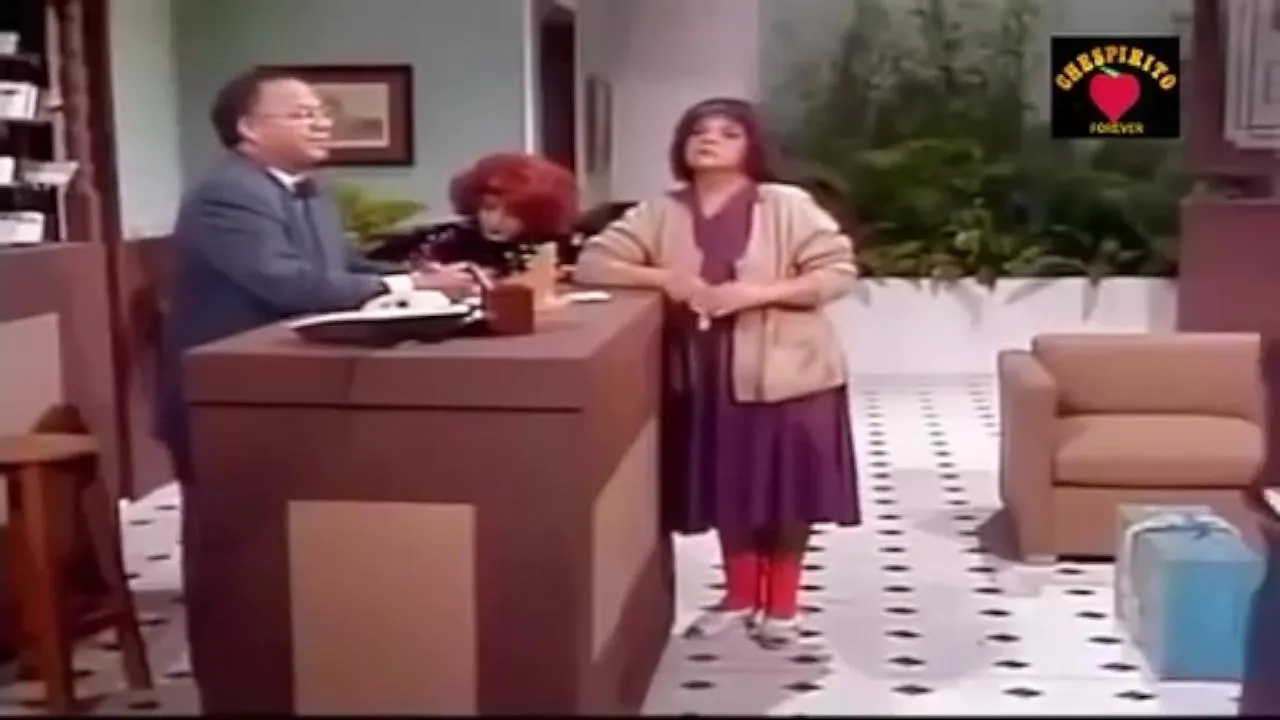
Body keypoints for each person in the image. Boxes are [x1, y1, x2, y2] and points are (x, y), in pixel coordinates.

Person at [155, 66, 471, 694]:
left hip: (292, 388)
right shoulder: (229, 193)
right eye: (303, 113)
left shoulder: (309, 190)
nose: (322, 122)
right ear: (249, 128)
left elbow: (340, 266)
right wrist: (407, 285)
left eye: (322, 112)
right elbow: (288, 284)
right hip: (228, 397)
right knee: (231, 545)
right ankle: (232, 680)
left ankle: (318, 659)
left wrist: (423, 275)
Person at [574, 97, 861, 648]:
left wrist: (757, 293)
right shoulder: (661, 209)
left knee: (788, 490)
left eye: (728, 132)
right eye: (698, 132)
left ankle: (782, 604)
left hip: (786, 370)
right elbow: (593, 262)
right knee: (731, 484)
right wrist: (667, 279)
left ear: (752, 147)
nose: (709, 139)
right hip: (704, 372)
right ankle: (739, 594)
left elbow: (837, 273)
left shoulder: (786, 204)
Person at [365, 153, 580, 279]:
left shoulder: (560, 246)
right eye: (489, 208)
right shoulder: (447, 243)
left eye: (513, 213)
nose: (495, 221)